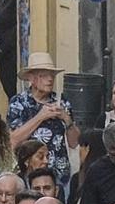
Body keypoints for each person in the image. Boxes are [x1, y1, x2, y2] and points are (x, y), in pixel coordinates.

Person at [7, 54, 74, 190]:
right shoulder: (19, 102)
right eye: (44, 75)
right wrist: (40, 117)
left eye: (52, 76)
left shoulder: (62, 101)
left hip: (59, 175)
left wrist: (67, 120)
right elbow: (13, 140)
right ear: (31, 78)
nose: (50, 79)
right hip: (31, 175)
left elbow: (74, 142)